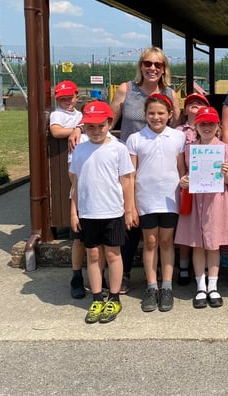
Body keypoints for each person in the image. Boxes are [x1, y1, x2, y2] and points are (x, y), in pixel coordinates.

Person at [71, 47, 178, 295]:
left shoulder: (170, 93)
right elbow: (108, 116)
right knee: (127, 225)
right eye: (148, 63)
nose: (152, 68)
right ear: (141, 66)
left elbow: (179, 124)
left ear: (164, 69)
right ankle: (124, 274)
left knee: (157, 233)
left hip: (156, 169)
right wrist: (79, 127)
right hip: (124, 164)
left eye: (158, 65)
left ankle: (162, 279)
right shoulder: (126, 89)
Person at [69, 101, 135, 324]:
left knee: (113, 254)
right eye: (90, 127)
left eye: (100, 125)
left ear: (109, 123)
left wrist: (129, 209)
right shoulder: (80, 150)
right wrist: (73, 211)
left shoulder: (118, 148)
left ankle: (114, 297)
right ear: (84, 127)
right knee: (93, 255)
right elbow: (76, 183)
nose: (96, 131)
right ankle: (97, 297)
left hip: (113, 211)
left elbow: (127, 181)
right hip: (87, 212)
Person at [126, 94, 186, 313]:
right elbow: (130, 175)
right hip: (146, 198)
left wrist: (186, 182)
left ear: (170, 115)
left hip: (170, 197)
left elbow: (181, 169)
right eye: (151, 113)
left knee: (167, 241)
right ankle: (151, 286)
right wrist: (130, 206)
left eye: (161, 113)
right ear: (145, 115)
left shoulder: (178, 138)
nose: (156, 117)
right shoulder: (135, 138)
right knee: (150, 242)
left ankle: (167, 286)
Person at [175, 106, 228, 309]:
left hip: (216, 200)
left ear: (218, 126)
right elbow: (184, 175)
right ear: (196, 126)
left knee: (213, 244)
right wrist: (183, 181)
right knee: (197, 244)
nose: (207, 127)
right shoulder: (189, 148)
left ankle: (213, 285)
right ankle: (200, 285)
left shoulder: (225, 148)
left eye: (211, 123)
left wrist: (226, 172)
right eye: (203, 123)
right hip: (195, 200)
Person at [48, 80, 87, 299]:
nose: (65, 101)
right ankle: (76, 275)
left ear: (76, 96)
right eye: (61, 98)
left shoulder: (81, 115)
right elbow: (55, 132)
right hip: (77, 173)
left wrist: (81, 127)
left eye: (68, 97)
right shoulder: (58, 115)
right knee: (79, 237)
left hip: (95, 178)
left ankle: (97, 275)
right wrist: (77, 129)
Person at [174, 92, 211, 286]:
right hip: (187, 184)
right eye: (191, 103)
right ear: (185, 108)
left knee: (205, 227)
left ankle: (204, 267)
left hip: (208, 186)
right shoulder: (178, 131)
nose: (195, 106)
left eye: (200, 103)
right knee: (187, 228)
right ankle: (184, 265)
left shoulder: (212, 130)